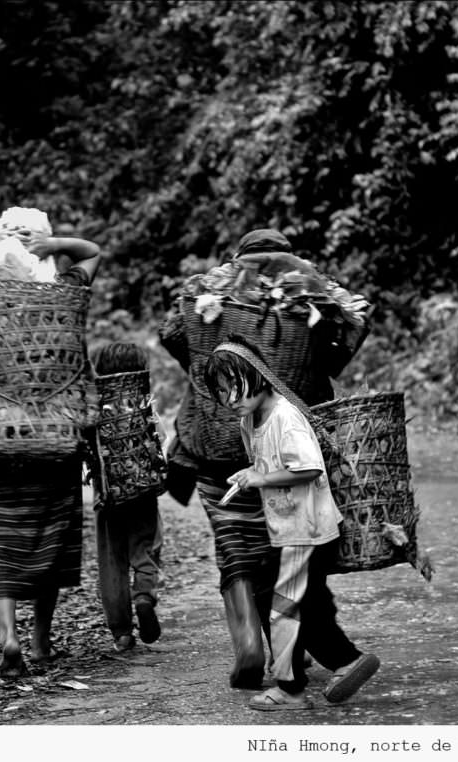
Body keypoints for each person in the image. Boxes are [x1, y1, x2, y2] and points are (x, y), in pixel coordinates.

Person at [160, 228, 334, 690]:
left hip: (212, 446)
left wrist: (216, 368)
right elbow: (346, 339)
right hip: (280, 450)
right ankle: (290, 652)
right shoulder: (309, 293)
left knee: (234, 545)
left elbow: (173, 336)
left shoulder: (208, 291)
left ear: (237, 258)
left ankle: (250, 647)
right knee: (284, 553)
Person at [0, 207, 102, 678]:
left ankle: (8, 636)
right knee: (50, 539)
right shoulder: (66, 292)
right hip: (58, 436)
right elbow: (91, 252)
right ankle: (41, 638)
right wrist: (51, 246)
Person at [204, 337, 380, 710]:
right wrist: (250, 473)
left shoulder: (285, 416)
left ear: (258, 375)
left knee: (283, 605)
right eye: (222, 392)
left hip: (307, 530)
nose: (230, 398)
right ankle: (347, 660)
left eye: (235, 386)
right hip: (290, 530)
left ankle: (291, 689)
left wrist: (261, 480)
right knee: (304, 605)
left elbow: (309, 467)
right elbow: (271, 463)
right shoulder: (251, 421)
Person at [91, 342, 163, 652]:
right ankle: (145, 595)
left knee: (112, 561)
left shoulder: (95, 409)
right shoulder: (143, 404)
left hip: (108, 496)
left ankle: (121, 631)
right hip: (143, 491)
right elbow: (159, 442)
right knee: (145, 547)